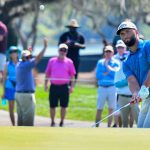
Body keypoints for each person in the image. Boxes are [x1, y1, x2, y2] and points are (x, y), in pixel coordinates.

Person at [116, 20, 150, 128]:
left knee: (146, 129)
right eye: (122, 34)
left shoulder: (147, 46)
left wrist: (144, 86)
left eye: (128, 31)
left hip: (147, 92)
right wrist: (135, 93)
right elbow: (131, 81)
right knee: (140, 127)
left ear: (136, 32)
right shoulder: (126, 62)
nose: (125, 35)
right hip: (147, 98)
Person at [15, 38, 48, 126]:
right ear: (25, 58)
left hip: (19, 94)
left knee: (21, 119)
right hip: (26, 95)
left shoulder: (19, 64)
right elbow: (38, 58)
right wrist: (44, 47)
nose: (30, 58)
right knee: (28, 120)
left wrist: (29, 52)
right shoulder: (26, 65)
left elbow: (28, 58)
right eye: (29, 57)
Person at [44, 43, 76, 127]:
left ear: (66, 52)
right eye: (61, 50)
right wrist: (45, 84)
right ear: (58, 50)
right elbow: (47, 74)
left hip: (64, 87)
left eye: (64, 50)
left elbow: (72, 76)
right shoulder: (52, 61)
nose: (62, 51)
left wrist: (72, 86)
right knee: (52, 105)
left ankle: (62, 122)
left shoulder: (69, 62)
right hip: (54, 86)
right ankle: (52, 122)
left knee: (64, 106)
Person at [113, 40, 139, 127]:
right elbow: (116, 84)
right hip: (122, 97)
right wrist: (128, 80)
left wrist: (131, 80)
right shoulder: (119, 70)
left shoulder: (135, 69)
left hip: (134, 97)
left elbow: (138, 82)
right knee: (124, 121)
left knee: (138, 119)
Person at [95, 45, 119, 127]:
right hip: (102, 88)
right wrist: (107, 72)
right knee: (99, 108)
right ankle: (97, 125)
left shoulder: (116, 62)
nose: (108, 53)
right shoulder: (100, 62)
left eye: (110, 51)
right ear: (104, 53)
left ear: (113, 52)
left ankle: (109, 126)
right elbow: (98, 76)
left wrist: (107, 67)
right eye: (106, 51)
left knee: (111, 108)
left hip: (112, 87)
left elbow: (115, 74)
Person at [2, 46, 20, 126]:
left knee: (20, 108)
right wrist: (3, 92)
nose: (13, 54)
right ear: (10, 55)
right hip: (9, 88)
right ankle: (13, 125)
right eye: (12, 52)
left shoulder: (21, 63)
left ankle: (21, 124)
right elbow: (4, 78)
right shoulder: (7, 65)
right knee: (11, 108)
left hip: (20, 88)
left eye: (15, 52)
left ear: (17, 53)